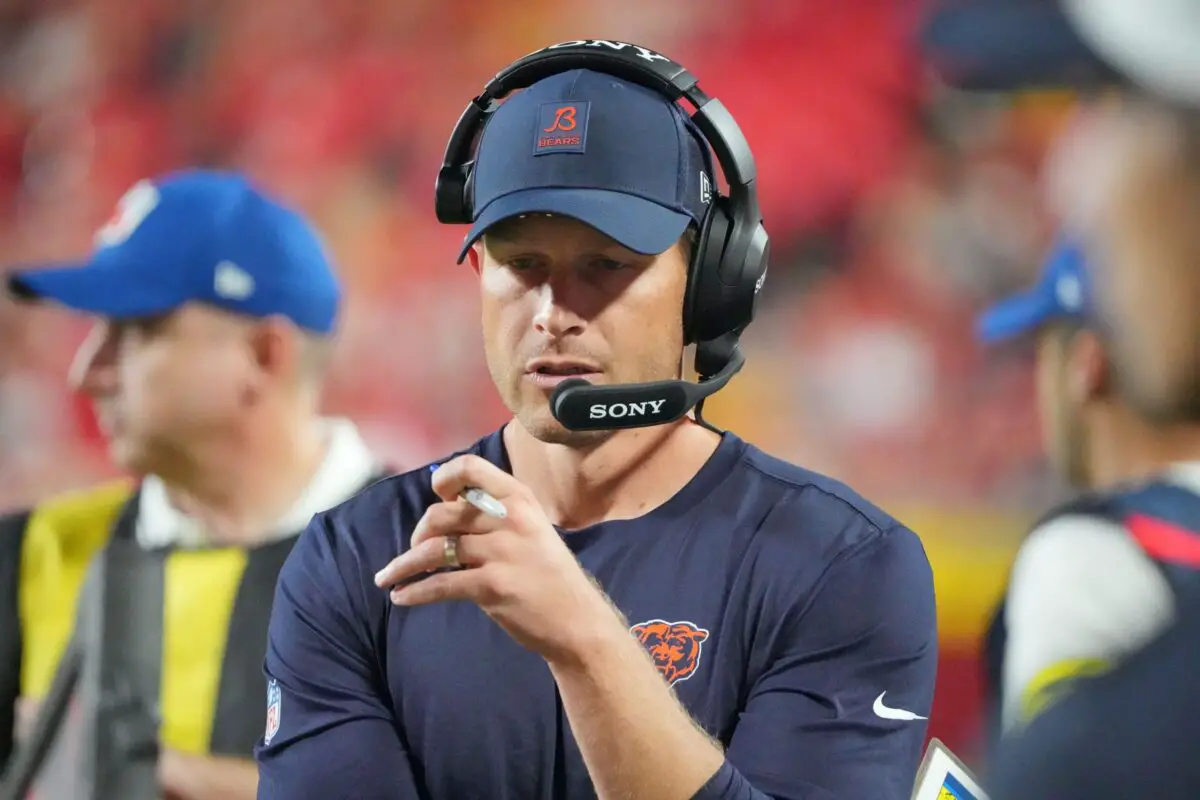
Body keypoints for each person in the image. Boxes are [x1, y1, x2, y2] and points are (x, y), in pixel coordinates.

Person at [254, 41, 938, 800]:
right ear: (480, 273)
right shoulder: (359, 560)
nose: (552, 315)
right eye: (523, 265)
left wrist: (583, 638)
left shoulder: (841, 567)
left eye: (606, 266)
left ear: (711, 282)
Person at [0, 169, 387, 799]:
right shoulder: (31, 554)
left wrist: (170, 780)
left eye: (135, 331)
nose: (85, 373)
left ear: (264, 355)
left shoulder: (431, 562)